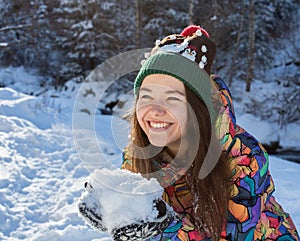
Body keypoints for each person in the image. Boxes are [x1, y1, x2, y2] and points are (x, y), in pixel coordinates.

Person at [79, 25, 299, 241]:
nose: (155, 111)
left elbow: (236, 236)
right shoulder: (137, 153)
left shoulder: (243, 158)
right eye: (146, 96)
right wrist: (115, 210)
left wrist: (161, 228)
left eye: (172, 99)